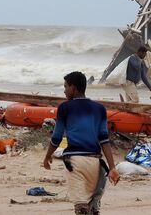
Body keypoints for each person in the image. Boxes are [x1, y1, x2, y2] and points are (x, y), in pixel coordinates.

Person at [43, 71, 119, 215]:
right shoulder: (99, 109)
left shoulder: (65, 108)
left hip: (75, 163)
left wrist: (47, 156)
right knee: (92, 208)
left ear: (73, 87)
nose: (64, 90)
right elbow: (104, 139)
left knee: (81, 208)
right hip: (96, 164)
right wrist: (112, 167)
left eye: (66, 87)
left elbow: (57, 137)